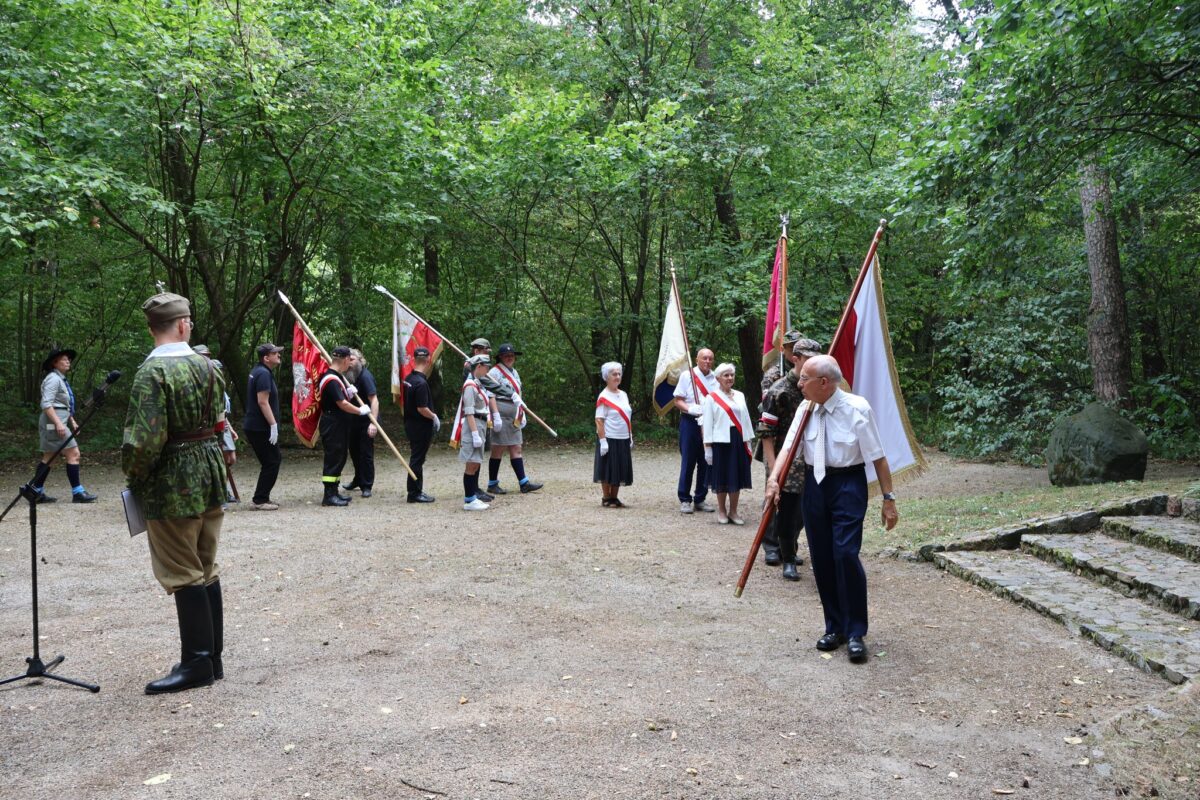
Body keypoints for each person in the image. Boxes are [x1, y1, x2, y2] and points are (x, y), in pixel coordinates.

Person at [122, 291, 228, 694]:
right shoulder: (207, 365)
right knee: (205, 562)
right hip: (208, 467)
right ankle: (212, 658)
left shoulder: (151, 374)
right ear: (184, 325)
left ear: (153, 328)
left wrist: (135, 477)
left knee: (183, 569)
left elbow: (143, 441)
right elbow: (218, 419)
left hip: (171, 478)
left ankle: (197, 663)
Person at [767, 354, 899, 664]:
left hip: (847, 485)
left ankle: (855, 632)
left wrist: (888, 498)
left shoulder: (857, 409)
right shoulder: (805, 408)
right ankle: (835, 627)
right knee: (822, 557)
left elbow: (878, 457)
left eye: (804, 379)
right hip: (815, 486)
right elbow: (788, 449)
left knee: (845, 553)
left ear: (824, 383)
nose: (799, 383)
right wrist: (773, 480)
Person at [757, 336, 823, 580]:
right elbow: (766, 431)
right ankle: (786, 557)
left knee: (805, 512)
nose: (812, 364)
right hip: (786, 458)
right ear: (796, 359)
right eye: (808, 359)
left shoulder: (820, 389)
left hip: (813, 456)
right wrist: (773, 469)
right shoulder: (779, 390)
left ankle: (790, 547)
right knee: (786, 509)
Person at [31, 347, 96, 503]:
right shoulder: (53, 379)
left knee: (50, 457)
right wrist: (59, 423)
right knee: (73, 453)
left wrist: (71, 421)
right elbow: (46, 404)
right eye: (65, 359)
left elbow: (62, 405)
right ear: (55, 363)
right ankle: (78, 493)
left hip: (57, 420)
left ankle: (35, 491)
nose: (68, 361)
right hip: (53, 422)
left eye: (69, 359)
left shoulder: (59, 378)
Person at [317, 346, 371, 507]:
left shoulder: (336, 377)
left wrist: (347, 392)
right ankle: (328, 495)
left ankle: (334, 491)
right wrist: (360, 410)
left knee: (340, 458)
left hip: (339, 423)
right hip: (333, 423)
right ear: (346, 359)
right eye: (350, 360)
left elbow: (339, 398)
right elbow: (342, 404)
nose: (351, 364)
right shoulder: (331, 379)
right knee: (334, 458)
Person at [701, 362, 755, 525]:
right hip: (720, 441)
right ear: (718, 378)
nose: (730, 378)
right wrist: (708, 448)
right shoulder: (711, 398)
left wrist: (748, 440)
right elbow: (708, 423)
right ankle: (722, 511)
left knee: (736, 475)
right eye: (726, 375)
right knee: (722, 475)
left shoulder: (740, 395)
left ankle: (733, 511)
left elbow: (745, 420)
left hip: (738, 439)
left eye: (731, 375)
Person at [487, 343, 543, 495]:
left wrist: (521, 413)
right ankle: (492, 483)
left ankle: (523, 483)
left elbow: (518, 395)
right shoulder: (494, 372)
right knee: (498, 449)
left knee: (516, 447)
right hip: (501, 411)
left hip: (514, 413)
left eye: (512, 356)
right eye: (506, 355)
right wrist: (495, 415)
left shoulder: (515, 372)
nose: (510, 358)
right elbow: (490, 394)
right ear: (500, 357)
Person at [673, 348, 717, 514]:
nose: (707, 361)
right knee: (688, 461)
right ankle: (684, 498)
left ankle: (700, 498)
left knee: (706, 461)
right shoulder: (687, 376)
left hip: (708, 423)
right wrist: (691, 409)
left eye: (710, 358)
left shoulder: (716, 378)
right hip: (690, 422)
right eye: (704, 358)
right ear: (697, 359)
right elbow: (677, 400)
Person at [193, 345, 239, 503]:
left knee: (230, 459)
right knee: (217, 460)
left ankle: (221, 489)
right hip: (206, 430)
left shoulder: (219, 387)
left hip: (221, 426)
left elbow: (222, 412)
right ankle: (218, 492)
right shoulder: (198, 383)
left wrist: (229, 429)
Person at [243, 342, 284, 510]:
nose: (279, 355)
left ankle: (262, 497)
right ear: (266, 358)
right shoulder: (263, 374)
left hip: (256, 426)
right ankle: (260, 500)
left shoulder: (260, 371)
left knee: (271, 461)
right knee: (272, 461)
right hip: (260, 427)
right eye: (275, 353)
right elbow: (262, 401)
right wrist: (273, 425)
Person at [456, 354, 493, 511]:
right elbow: (469, 412)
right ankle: (469, 499)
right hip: (474, 425)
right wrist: (475, 434)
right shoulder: (470, 386)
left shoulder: (478, 385)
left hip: (480, 423)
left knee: (476, 463)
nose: (488, 370)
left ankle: (471, 498)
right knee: (471, 464)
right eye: (487, 367)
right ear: (479, 366)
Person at [594, 361, 633, 508]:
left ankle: (615, 497)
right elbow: (599, 420)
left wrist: (630, 436)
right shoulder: (603, 396)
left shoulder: (623, 395)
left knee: (619, 467)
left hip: (623, 437)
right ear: (606, 377)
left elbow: (628, 417)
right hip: (609, 437)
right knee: (607, 468)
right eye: (614, 374)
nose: (617, 376)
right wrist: (603, 441)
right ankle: (606, 497)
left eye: (619, 374)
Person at [403, 346, 438, 503]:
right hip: (420, 426)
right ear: (428, 360)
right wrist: (434, 416)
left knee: (416, 458)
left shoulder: (409, 379)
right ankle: (414, 492)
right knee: (417, 459)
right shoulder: (421, 383)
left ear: (414, 359)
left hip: (411, 423)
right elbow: (422, 408)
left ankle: (415, 490)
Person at [343, 348, 379, 498]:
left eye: (352, 359)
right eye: (348, 360)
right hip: (353, 421)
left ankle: (367, 485)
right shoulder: (348, 376)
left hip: (367, 421)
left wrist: (374, 423)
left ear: (360, 360)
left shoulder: (365, 377)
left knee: (365, 454)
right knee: (354, 452)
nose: (349, 363)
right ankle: (358, 479)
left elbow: (374, 400)